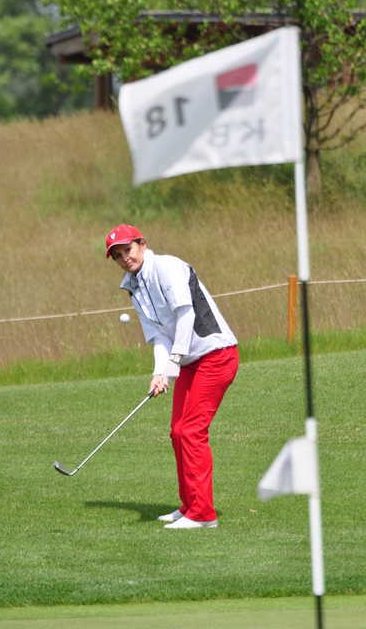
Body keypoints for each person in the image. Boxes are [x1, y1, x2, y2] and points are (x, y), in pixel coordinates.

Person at [106, 224, 239, 529]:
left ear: (142, 244)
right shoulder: (134, 288)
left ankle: (203, 515)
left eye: (128, 250)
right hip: (191, 362)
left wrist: (174, 363)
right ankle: (190, 505)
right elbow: (159, 337)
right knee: (178, 432)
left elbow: (185, 314)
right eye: (118, 256)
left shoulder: (167, 267)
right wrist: (159, 373)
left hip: (216, 355)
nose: (125, 258)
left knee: (191, 431)